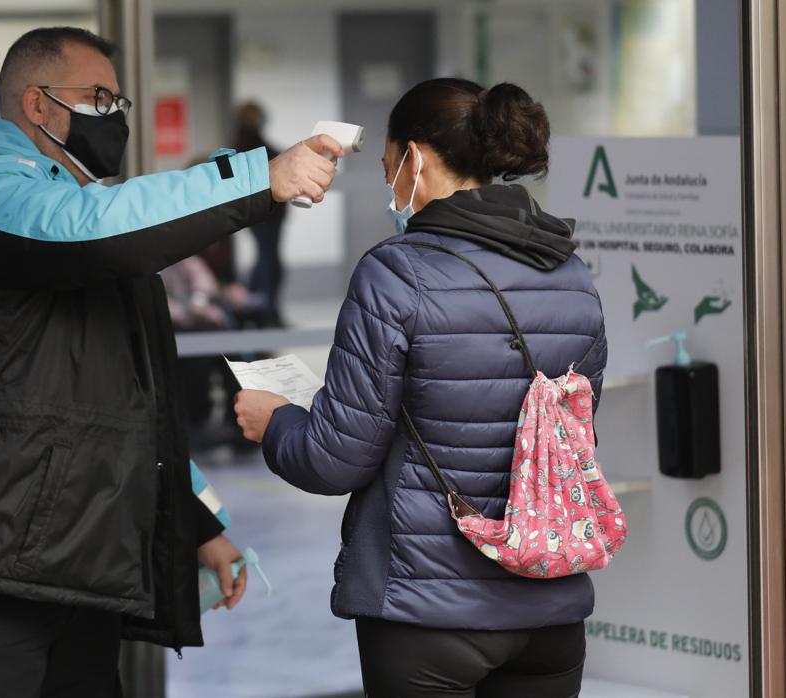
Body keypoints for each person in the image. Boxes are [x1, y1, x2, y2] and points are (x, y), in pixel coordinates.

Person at [0, 26, 342, 698]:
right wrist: (259, 177)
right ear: (36, 104)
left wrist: (199, 523)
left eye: (118, 102)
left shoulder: (83, 218)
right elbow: (83, 229)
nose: (112, 115)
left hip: (73, 564)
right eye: (97, 97)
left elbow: (129, 401)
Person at [234, 79, 608, 697]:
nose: (390, 187)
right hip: (550, 607)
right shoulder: (571, 275)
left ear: (415, 157)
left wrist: (274, 422)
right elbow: (573, 444)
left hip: (425, 612)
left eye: (388, 169)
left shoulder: (395, 274)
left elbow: (335, 458)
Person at [232, 101, 288, 326]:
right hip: (264, 214)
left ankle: (263, 312)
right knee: (268, 265)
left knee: (269, 263)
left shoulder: (248, 141)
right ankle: (263, 313)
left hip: (268, 214)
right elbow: (269, 160)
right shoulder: (247, 142)